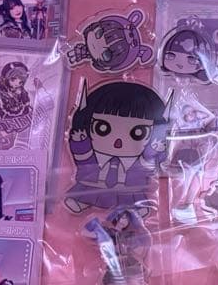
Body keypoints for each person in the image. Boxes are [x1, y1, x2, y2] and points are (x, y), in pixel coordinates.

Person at [65, 80, 170, 213]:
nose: (118, 141)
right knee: (87, 187)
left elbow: (147, 166)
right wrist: (81, 142)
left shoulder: (136, 164)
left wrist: (154, 149)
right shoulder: (94, 159)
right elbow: (83, 158)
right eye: (102, 128)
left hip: (128, 193)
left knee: (133, 198)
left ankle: (132, 211)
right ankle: (82, 200)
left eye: (138, 132)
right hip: (91, 187)